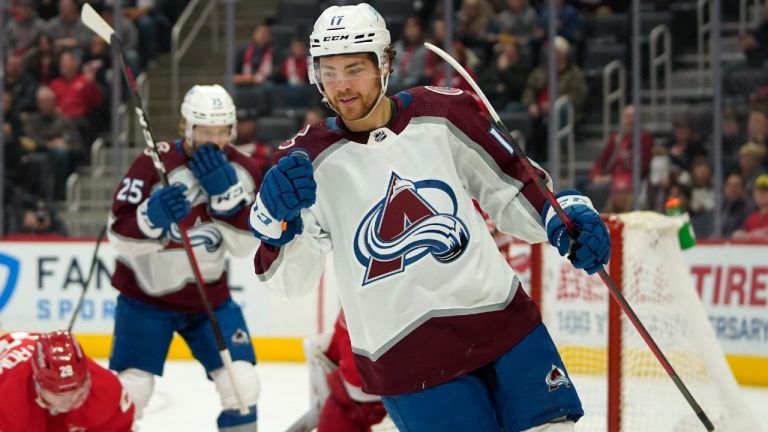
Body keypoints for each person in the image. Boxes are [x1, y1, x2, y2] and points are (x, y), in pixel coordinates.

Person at [249, 4, 610, 431]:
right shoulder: (305, 160)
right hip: (407, 356)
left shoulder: (443, 112)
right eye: (328, 72)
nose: (341, 86)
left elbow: (513, 186)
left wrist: (565, 214)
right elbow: (293, 282)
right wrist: (276, 225)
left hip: (505, 324)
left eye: (354, 69)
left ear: (385, 64)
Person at [107, 84, 262, 431]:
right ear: (186, 128)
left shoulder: (243, 170)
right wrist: (149, 219)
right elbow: (117, 235)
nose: (215, 140)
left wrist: (228, 204)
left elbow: (244, 247)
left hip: (208, 300)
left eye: (223, 130)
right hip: (145, 299)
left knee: (242, 385)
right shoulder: (153, 163)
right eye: (206, 130)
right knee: (132, 391)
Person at [0, 330, 135, 431]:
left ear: (88, 380)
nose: (70, 400)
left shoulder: (106, 389)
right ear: (39, 386)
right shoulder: (10, 401)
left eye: (77, 390)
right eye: (59, 394)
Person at [289, 313, 388, 432]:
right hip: (396, 393)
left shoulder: (349, 312)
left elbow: (334, 354)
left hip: (357, 398)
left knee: (335, 417)